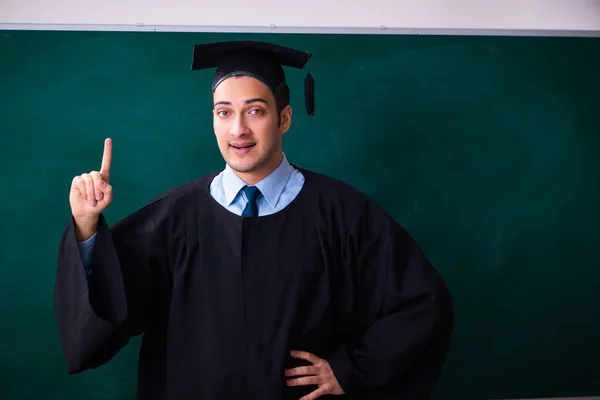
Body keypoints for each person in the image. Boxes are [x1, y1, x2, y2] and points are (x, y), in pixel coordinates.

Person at [54, 40, 454, 400]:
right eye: (224, 112)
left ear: (284, 118)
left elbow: (422, 303)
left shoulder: (343, 215)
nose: (238, 129)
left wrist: (351, 372)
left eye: (255, 111)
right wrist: (87, 227)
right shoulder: (171, 219)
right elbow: (104, 314)